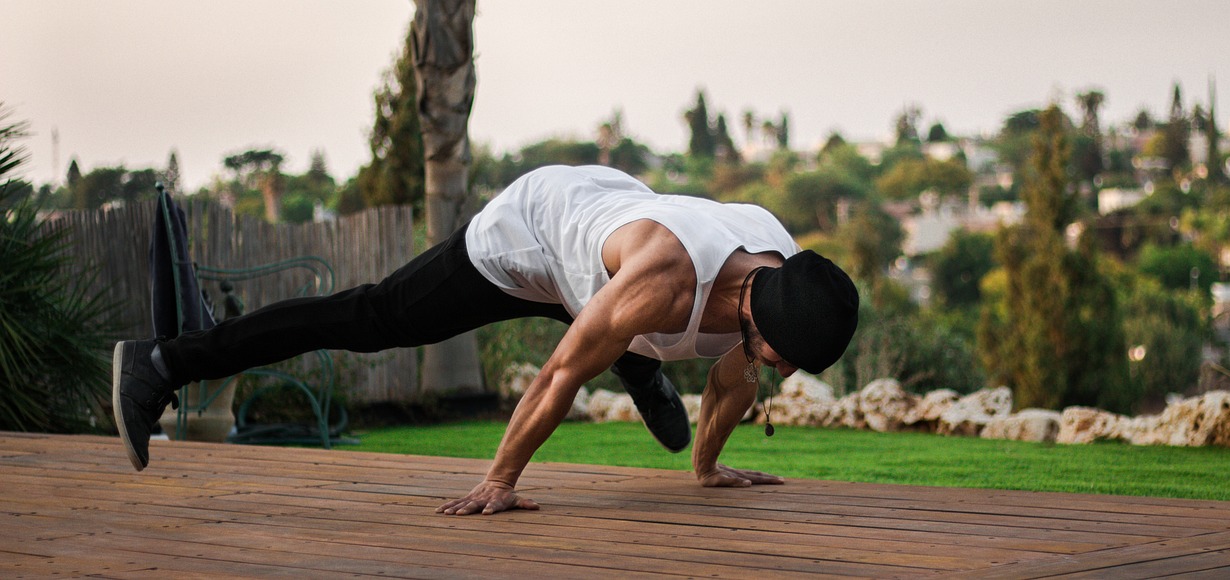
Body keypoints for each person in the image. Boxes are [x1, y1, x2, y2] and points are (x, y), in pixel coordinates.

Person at [113, 165, 859, 516]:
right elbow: (559, 376)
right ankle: (165, 360)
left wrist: (707, 467)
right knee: (372, 319)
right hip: (533, 235)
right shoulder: (662, 280)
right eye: (781, 356)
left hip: (612, 226)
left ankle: (638, 365)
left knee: (622, 335)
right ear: (755, 311)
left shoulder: (785, 268)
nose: (784, 369)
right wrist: (500, 480)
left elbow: (736, 374)